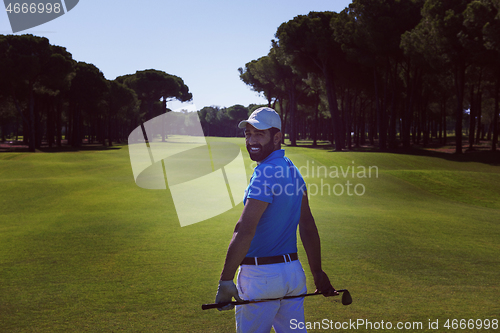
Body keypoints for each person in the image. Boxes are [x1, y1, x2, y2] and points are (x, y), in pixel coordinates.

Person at [214, 107, 337, 333]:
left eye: (259, 134)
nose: (251, 140)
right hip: (292, 275)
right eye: (248, 134)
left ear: (277, 137)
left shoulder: (265, 173)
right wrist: (317, 273)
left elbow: (244, 229)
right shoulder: (294, 171)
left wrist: (226, 280)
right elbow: (308, 226)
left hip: (261, 278)